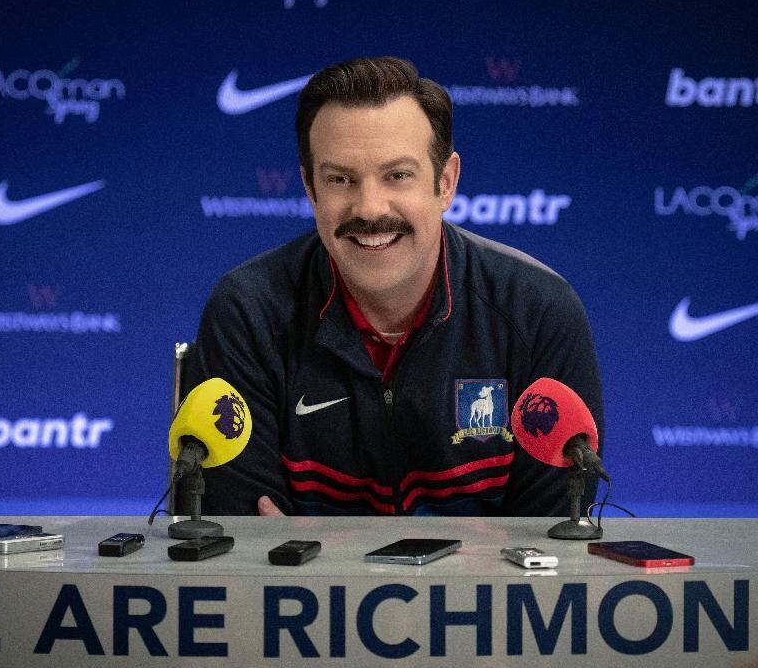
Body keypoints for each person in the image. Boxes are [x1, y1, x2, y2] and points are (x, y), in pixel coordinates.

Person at [188, 56, 603, 516]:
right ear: (310, 188)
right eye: (340, 179)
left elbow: (551, 543)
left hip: (481, 592)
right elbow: (246, 541)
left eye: (397, 176)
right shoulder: (248, 312)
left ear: (445, 183)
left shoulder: (539, 313)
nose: (369, 208)